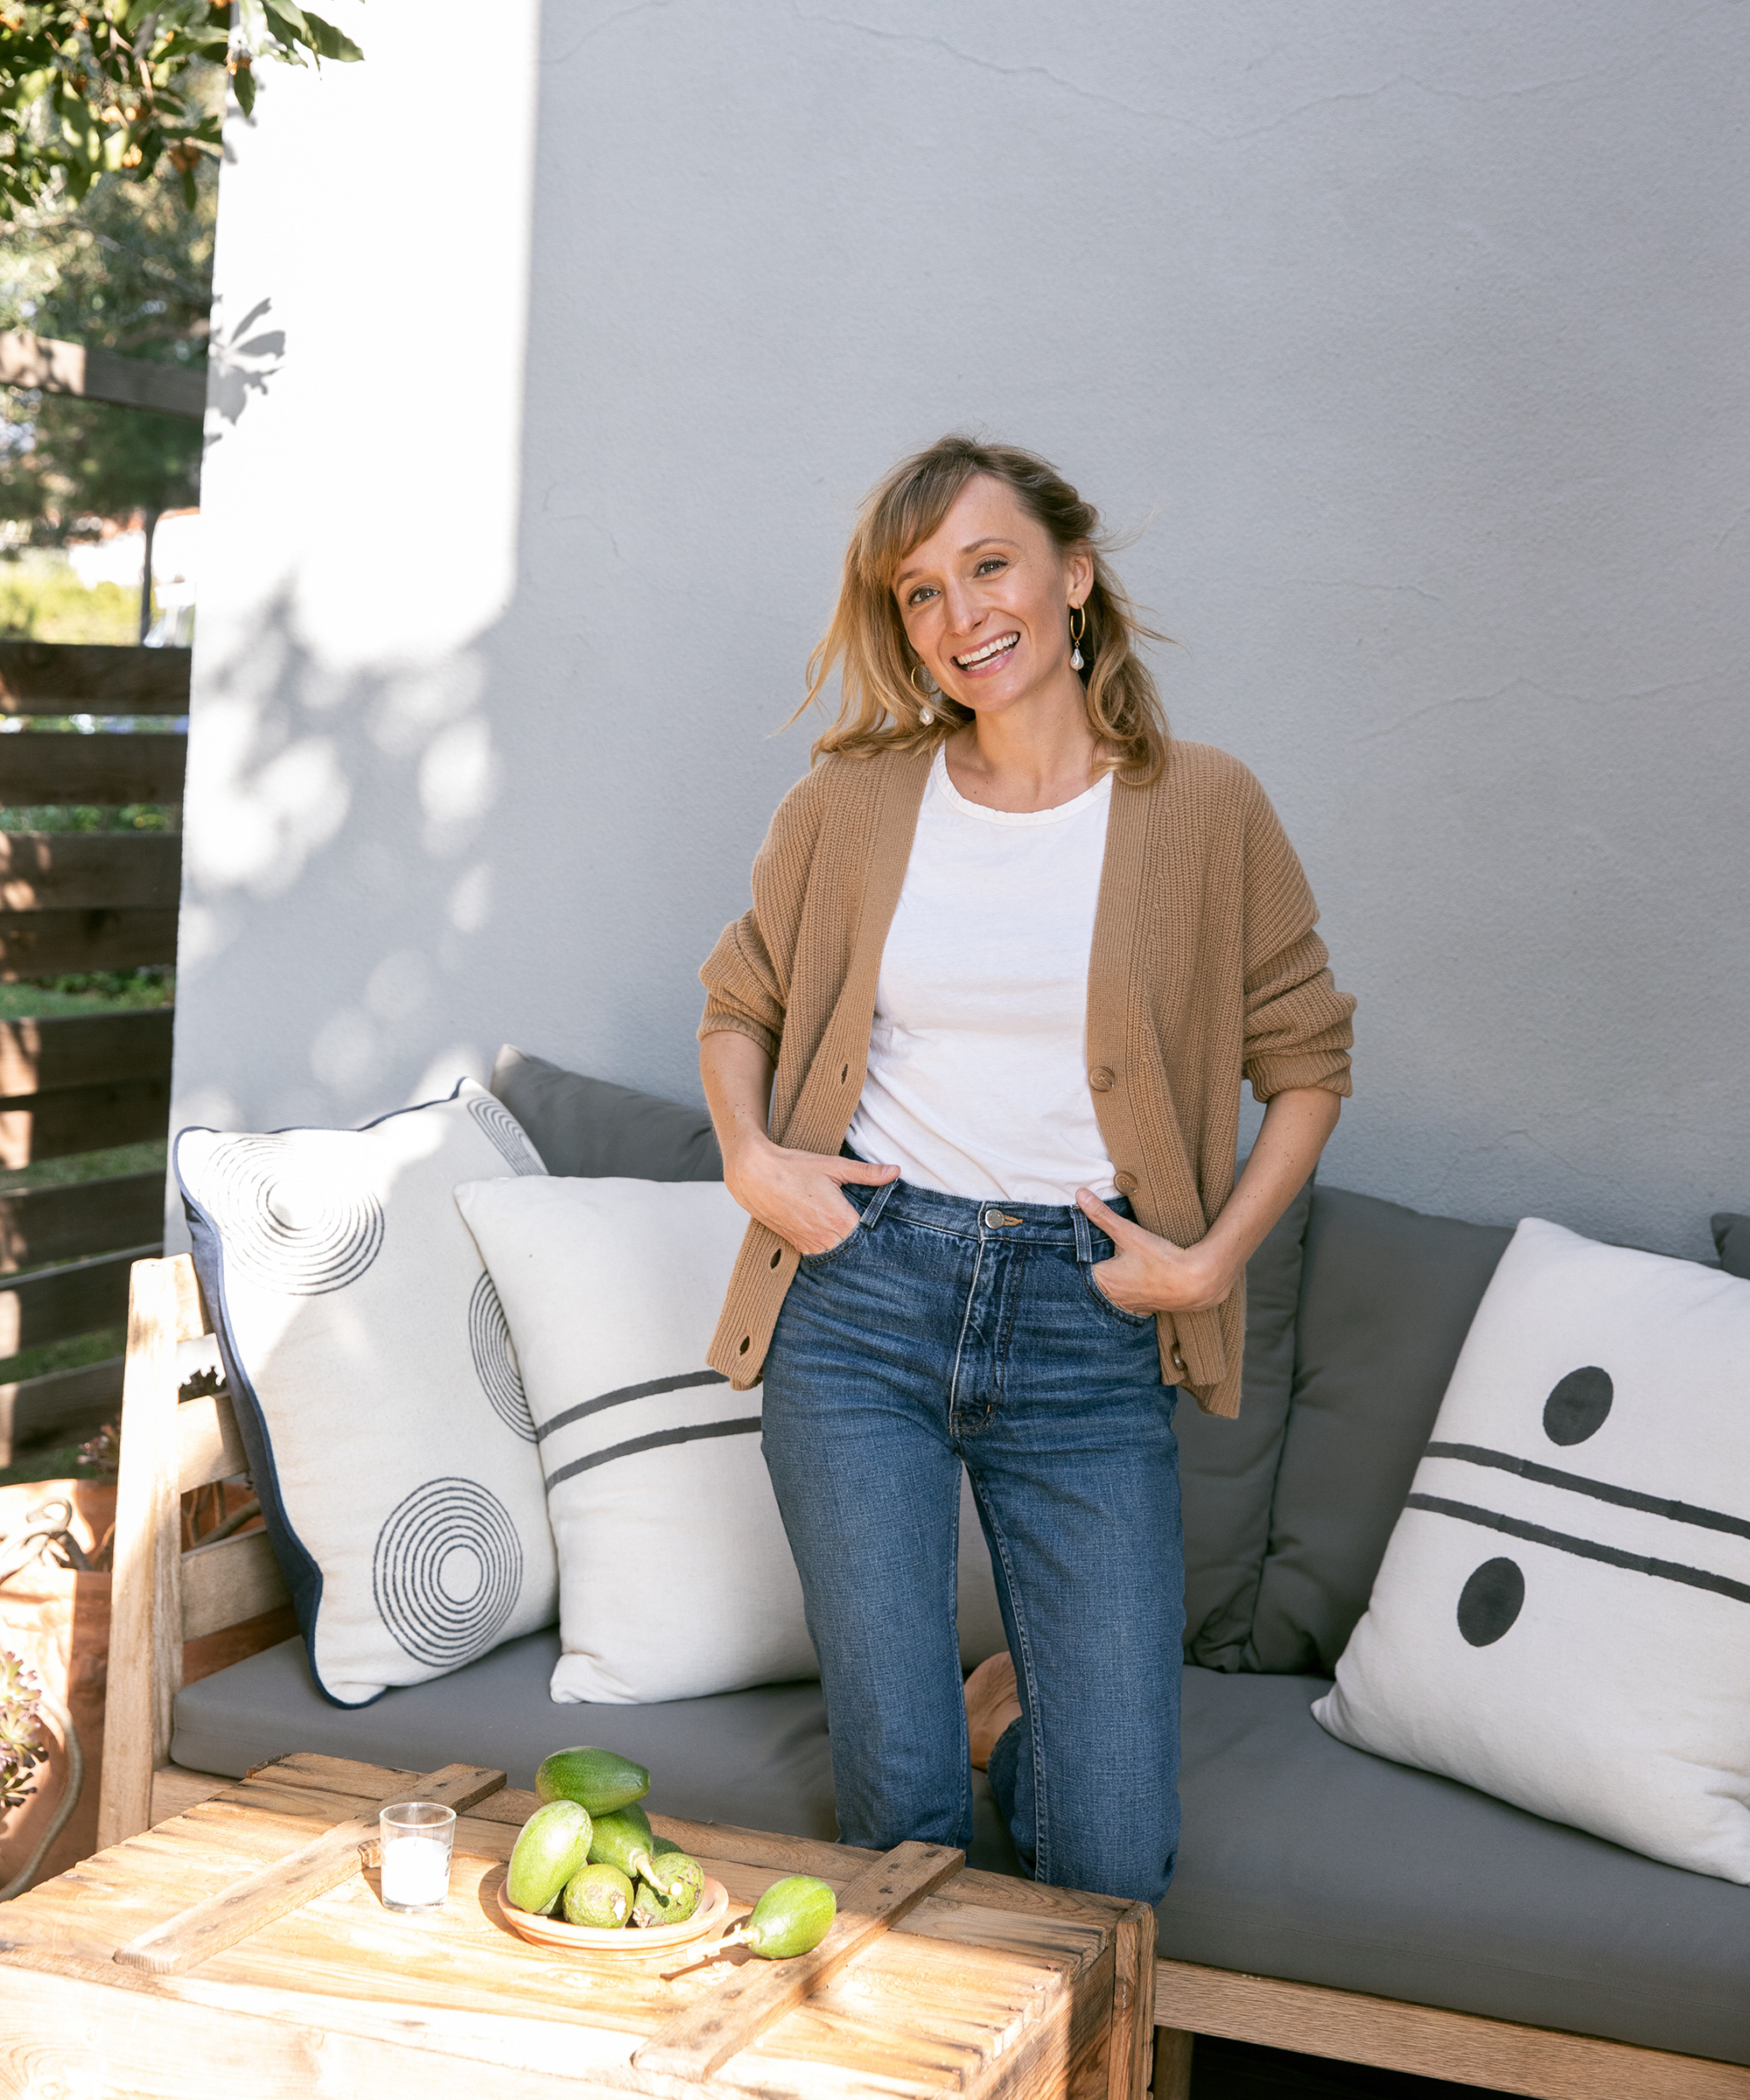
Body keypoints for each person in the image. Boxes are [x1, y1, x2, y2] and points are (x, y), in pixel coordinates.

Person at [697, 435, 1354, 1904]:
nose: (958, 617)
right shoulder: (850, 805)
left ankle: (1020, 1733)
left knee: (1112, 1853)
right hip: (863, 1300)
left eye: (986, 567)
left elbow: (1307, 1057)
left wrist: (1209, 1261)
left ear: (1073, 575)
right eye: (918, 593)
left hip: (1085, 1316)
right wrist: (754, 1160)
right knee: (901, 1814)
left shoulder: (1205, 808)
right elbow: (740, 1000)